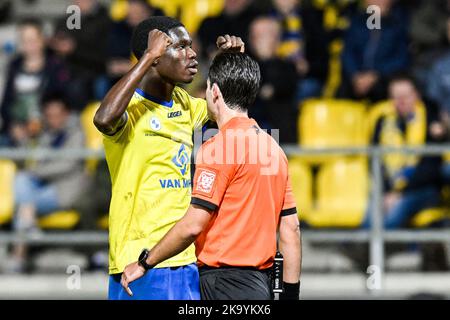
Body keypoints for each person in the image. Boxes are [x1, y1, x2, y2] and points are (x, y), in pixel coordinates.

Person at [121, 52, 302, 300]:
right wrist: (291, 295)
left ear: (214, 91)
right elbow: (291, 229)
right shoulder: (274, 149)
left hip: (223, 284)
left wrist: (145, 262)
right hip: (262, 286)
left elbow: (194, 224)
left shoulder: (218, 147)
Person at [93, 16, 245, 300]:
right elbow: (103, 119)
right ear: (156, 56)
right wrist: (148, 55)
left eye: (191, 46)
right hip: (136, 259)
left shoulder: (184, 103)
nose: (192, 54)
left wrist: (230, 66)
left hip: (179, 258)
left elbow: (228, 109)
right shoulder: (131, 108)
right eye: (181, 47)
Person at [7, 92, 87, 273]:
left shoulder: (76, 132)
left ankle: (18, 257)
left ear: (66, 113)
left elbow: (68, 164)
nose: (53, 120)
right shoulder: (46, 132)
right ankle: (28, 228)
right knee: (21, 181)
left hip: (66, 189)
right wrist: (24, 139)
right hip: (44, 186)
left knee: (24, 205)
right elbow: (31, 158)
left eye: (57, 115)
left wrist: (36, 171)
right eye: (49, 115)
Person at [363, 75, 445, 229]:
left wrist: (400, 193)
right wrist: (386, 191)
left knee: (394, 212)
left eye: (405, 96)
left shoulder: (430, 119)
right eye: (395, 97)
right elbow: (375, 162)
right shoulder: (383, 120)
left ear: (416, 95)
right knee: (371, 212)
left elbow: (431, 167)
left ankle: (374, 250)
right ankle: (363, 249)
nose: (400, 101)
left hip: (422, 188)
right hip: (390, 188)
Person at [0, 19, 70, 146]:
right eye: (25, 40)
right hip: (16, 131)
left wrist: (40, 123)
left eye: (32, 40)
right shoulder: (14, 66)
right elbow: (6, 103)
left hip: (47, 129)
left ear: (42, 40)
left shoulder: (55, 66)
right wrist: (13, 126)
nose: (29, 45)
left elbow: (60, 101)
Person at [341, 0, 410, 102]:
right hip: (355, 79)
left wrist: (375, 75)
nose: (377, 2)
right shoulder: (357, 23)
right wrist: (355, 75)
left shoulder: (398, 24)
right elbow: (348, 53)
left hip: (384, 79)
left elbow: (401, 58)